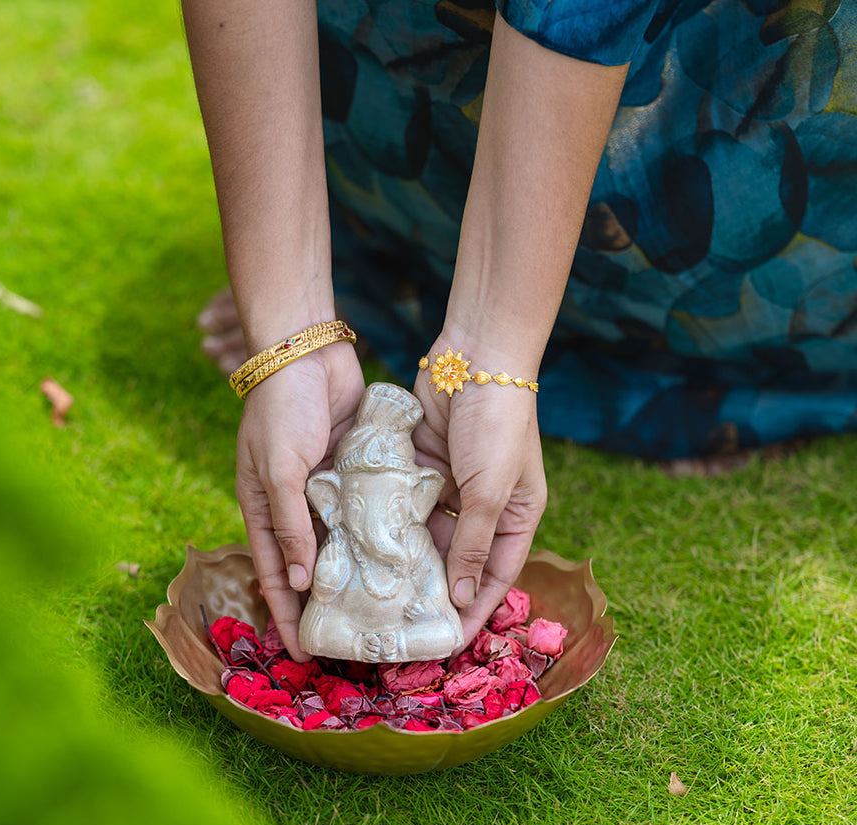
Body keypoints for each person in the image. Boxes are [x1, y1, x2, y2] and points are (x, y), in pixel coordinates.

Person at [181, 1, 857, 662]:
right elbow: (335, 620)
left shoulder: (409, 546)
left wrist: (489, 348)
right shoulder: (339, 552)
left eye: (394, 504)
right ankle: (367, 271)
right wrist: (286, 327)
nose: (383, 524)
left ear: (422, 496)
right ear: (329, 497)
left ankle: (677, 368)